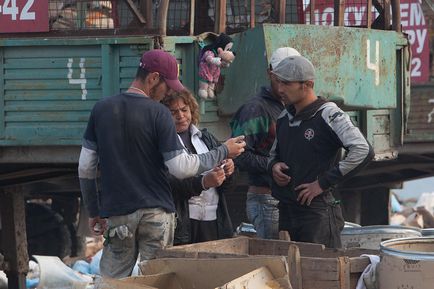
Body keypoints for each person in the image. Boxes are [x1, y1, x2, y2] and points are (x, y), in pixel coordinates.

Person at [78, 49, 246, 278]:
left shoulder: (101, 109)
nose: (167, 92)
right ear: (153, 78)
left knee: (112, 280)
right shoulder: (159, 114)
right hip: (157, 214)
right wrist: (223, 150)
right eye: (167, 86)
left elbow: (86, 167)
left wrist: (94, 210)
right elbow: (180, 167)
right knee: (155, 279)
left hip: (118, 213)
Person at [268, 55, 374, 248]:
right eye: (278, 82)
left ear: (307, 84)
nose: (280, 89)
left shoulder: (329, 114)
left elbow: (363, 150)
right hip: (287, 212)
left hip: (317, 213)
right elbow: (273, 154)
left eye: (286, 83)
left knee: (321, 273)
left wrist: (322, 183)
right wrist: (274, 166)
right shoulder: (284, 117)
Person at [229, 47, 301, 239]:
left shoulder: (294, 108)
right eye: (280, 75)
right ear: (270, 73)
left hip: (287, 199)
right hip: (267, 199)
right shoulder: (255, 109)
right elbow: (239, 154)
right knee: (275, 261)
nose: (284, 81)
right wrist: (272, 166)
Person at [162, 90, 236, 244]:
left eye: (184, 110)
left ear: (192, 110)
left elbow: (227, 188)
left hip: (213, 219)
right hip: (184, 223)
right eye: (173, 112)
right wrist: (203, 182)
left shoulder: (206, 138)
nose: (180, 116)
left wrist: (228, 170)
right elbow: (168, 184)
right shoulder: (164, 145)